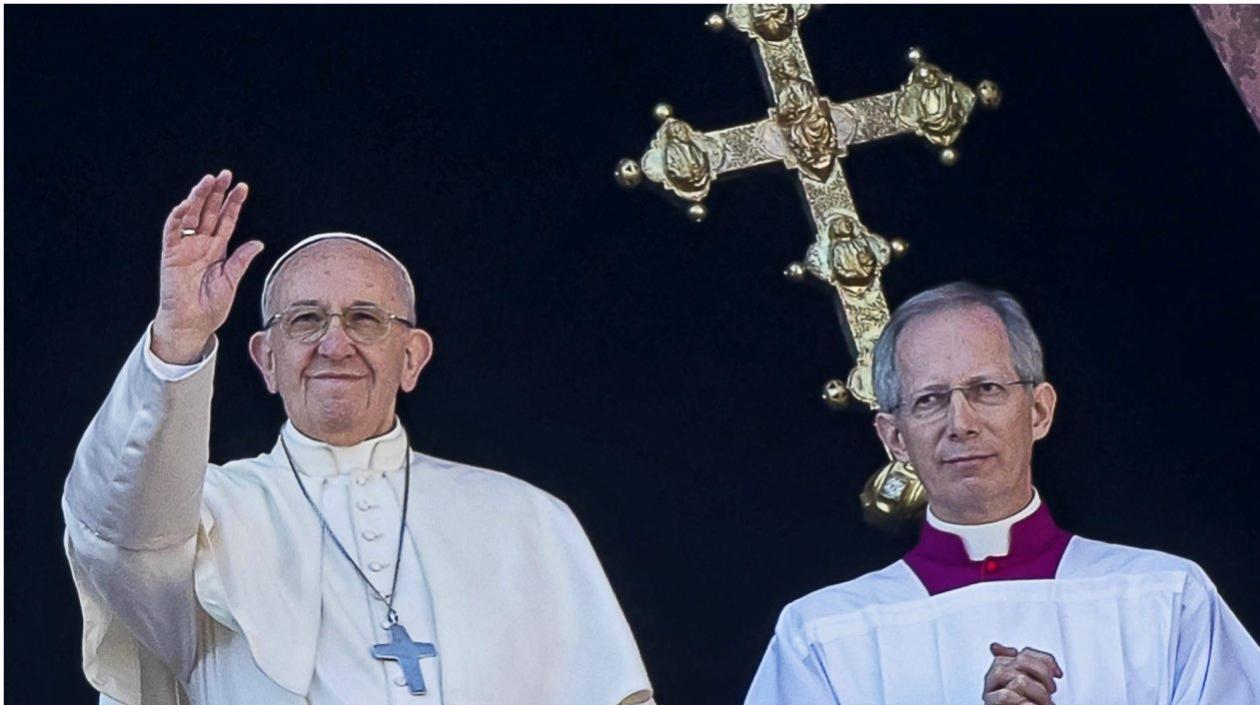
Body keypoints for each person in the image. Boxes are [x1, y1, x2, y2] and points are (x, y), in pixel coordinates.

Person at [62, 170, 653, 705]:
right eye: (305, 320)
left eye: (365, 319)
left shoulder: (526, 520)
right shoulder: (203, 518)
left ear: (413, 358)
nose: (335, 345)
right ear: (266, 360)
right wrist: (178, 336)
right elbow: (111, 533)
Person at [745, 282, 1260, 705]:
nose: (961, 423)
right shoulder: (824, 636)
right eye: (929, 399)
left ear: (1039, 410)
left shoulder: (1167, 597)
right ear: (894, 437)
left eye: (986, 390)